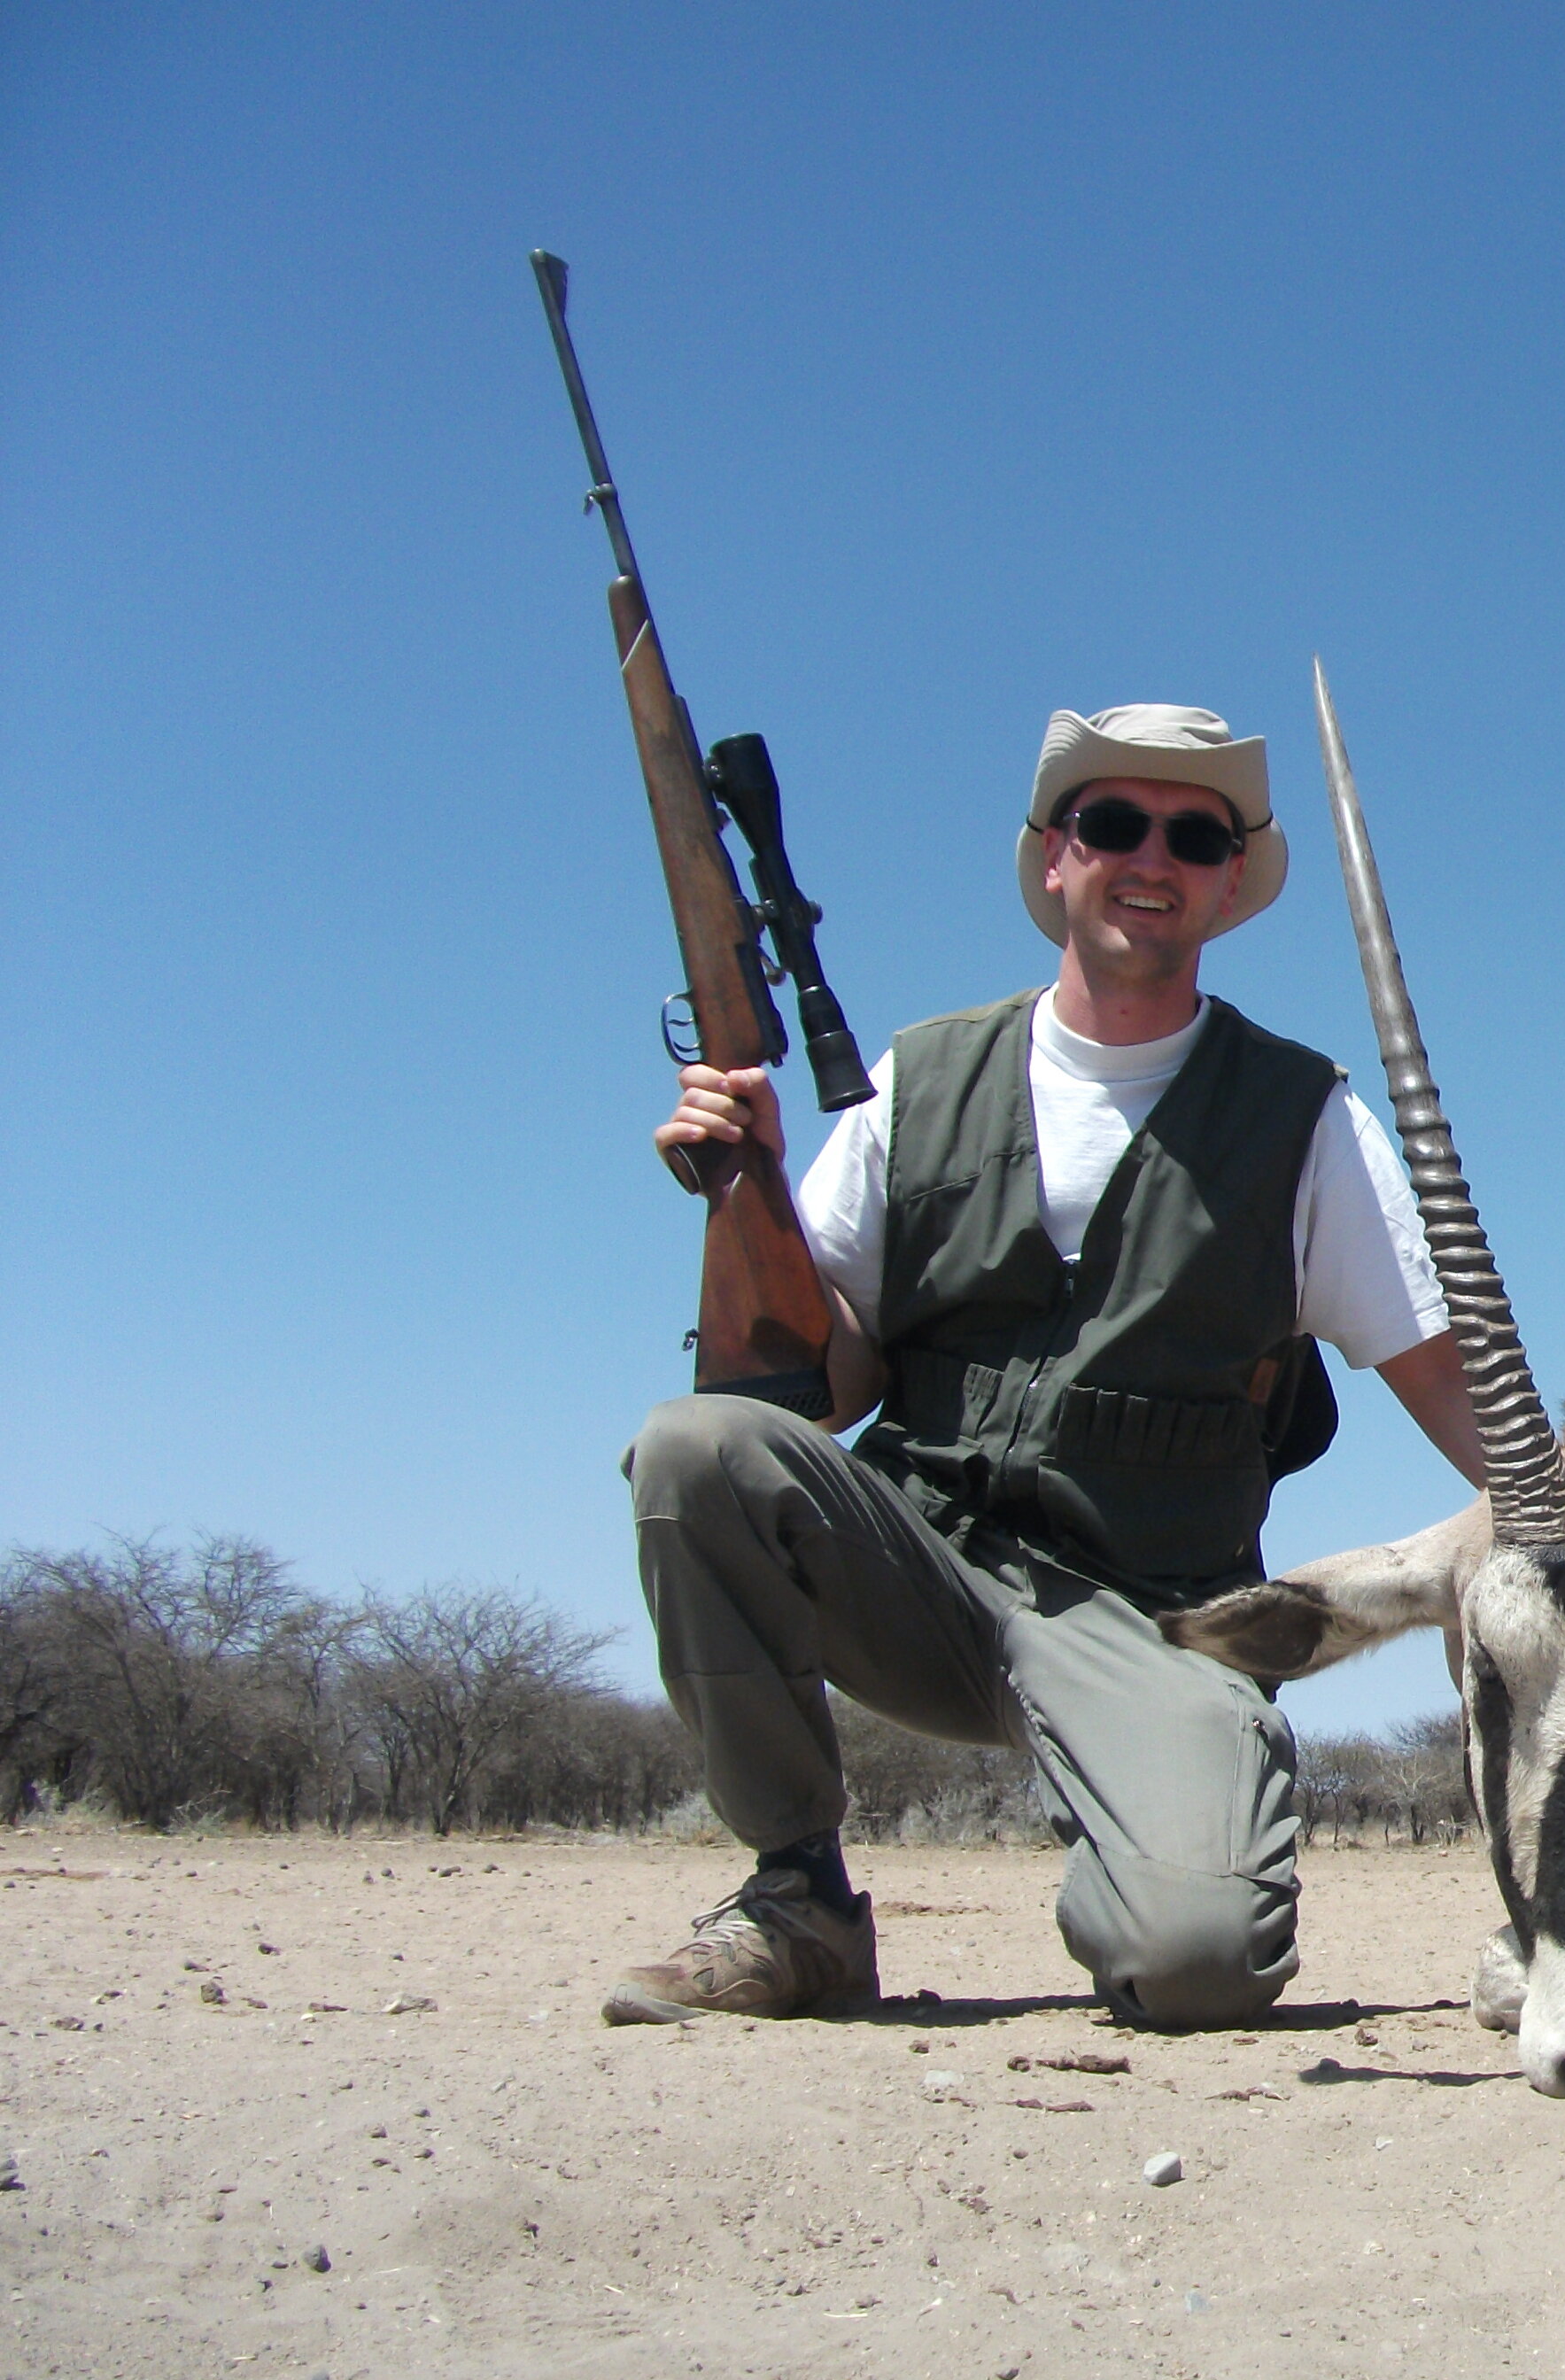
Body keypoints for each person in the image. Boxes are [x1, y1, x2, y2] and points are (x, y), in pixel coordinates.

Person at [611, 704, 1486, 2033]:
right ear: (1054, 859)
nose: (1155, 856)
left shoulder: (1305, 1117)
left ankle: (1160, 1831)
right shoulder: (918, 1078)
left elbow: (1449, 1381)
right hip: (919, 1574)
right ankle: (797, 1903)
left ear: (1231, 880)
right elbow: (820, 1391)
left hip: (1153, 1616)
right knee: (692, 1449)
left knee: (1196, 1964)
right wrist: (751, 1194)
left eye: (1196, 835)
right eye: (1115, 824)